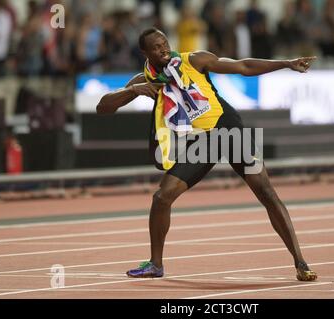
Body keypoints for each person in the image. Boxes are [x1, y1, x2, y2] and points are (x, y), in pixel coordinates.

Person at [96, 28, 318, 282]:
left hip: (228, 129)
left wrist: (286, 63)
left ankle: (300, 261)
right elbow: (103, 107)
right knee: (161, 197)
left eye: (165, 43)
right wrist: (134, 90)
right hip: (201, 142)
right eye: (157, 47)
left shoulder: (194, 60)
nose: (164, 49)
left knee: (266, 192)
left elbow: (243, 66)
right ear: (144, 53)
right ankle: (155, 265)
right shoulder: (144, 79)